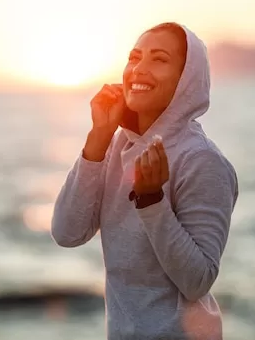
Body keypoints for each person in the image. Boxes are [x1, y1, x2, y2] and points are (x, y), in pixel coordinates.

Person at [50, 22, 239, 340]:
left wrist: (152, 201)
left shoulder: (202, 161)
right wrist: (97, 140)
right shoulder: (117, 145)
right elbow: (67, 233)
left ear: (186, 81)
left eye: (159, 59)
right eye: (135, 57)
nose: (139, 69)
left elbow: (198, 281)